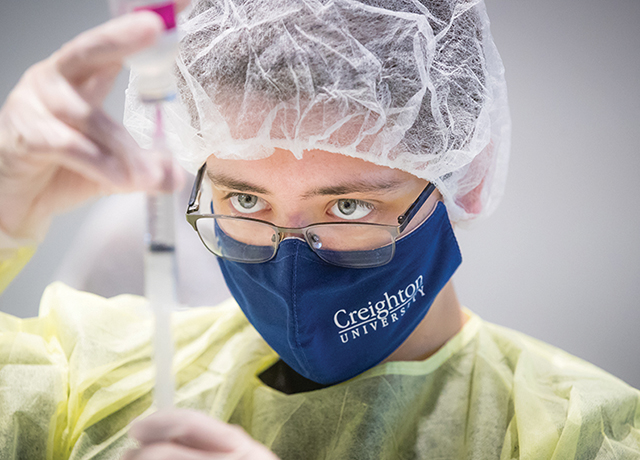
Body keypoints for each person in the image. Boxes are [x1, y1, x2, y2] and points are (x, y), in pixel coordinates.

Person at [0, 1, 639, 459]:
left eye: (348, 208)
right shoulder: (92, 383)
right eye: (245, 197)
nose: (289, 260)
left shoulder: (582, 434)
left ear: (462, 179)